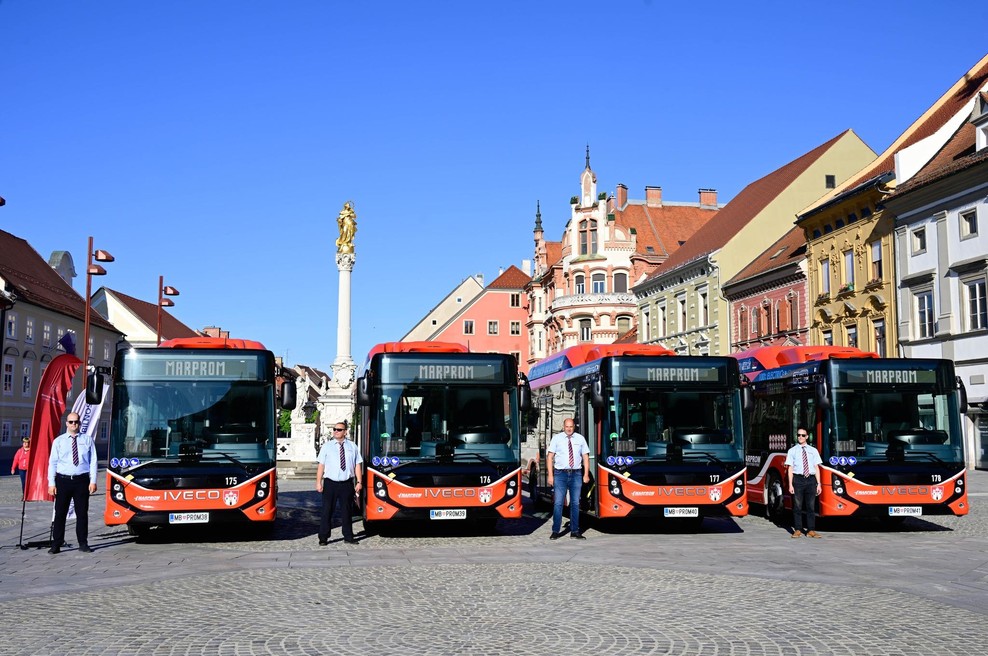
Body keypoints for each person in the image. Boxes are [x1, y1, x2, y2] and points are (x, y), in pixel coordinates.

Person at [47, 412, 98, 554]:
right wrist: (51, 483)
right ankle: (56, 544)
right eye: (71, 422)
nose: (73, 424)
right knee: (60, 513)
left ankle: (83, 543)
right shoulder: (59, 441)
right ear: (66, 423)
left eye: (76, 422)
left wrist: (93, 481)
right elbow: (52, 463)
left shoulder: (87, 440)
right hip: (63, 481)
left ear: (80, 423)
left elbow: (93, 461)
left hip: (81, 481)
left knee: (82, 513)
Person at [316, 421, 363, 545]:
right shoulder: (327, 446)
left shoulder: (352, 446)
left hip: (347, 483)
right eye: (334, 429)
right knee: (327, 510)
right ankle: (323, 537)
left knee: (347, 511)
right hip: (330, 483)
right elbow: (321, 465)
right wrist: (318, 482)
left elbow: (357, 464)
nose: (336, 431)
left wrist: (359, 481)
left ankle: (348, 536)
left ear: (345, 432)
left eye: (339, 429)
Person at [547, 418, 590, 540]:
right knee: (558, 503)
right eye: (567, 426)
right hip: (560, 474)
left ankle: (575, 531)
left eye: (571, 426)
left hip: (576, 473)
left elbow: (585, 457)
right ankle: (555, 531)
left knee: (575, 503)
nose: (569, 429)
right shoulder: (557, 438)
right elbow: (550, 457)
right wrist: (550, 475)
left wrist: (585, 474)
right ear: (563, 427)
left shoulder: (580, 438)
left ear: (574, 427)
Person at [785, 426, 823, 539]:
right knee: (797, 506)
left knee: (811, 506)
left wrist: (819, 483)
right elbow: (790, 468)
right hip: (798, 479)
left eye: (802, 435)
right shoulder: (792, 451)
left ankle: (811, 530)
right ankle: (797, 529)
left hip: (811, 480)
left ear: (807, 437)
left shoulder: (813, 450)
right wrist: (791, 484)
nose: (800, 437)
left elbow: (816, 467)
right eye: (798, 435)